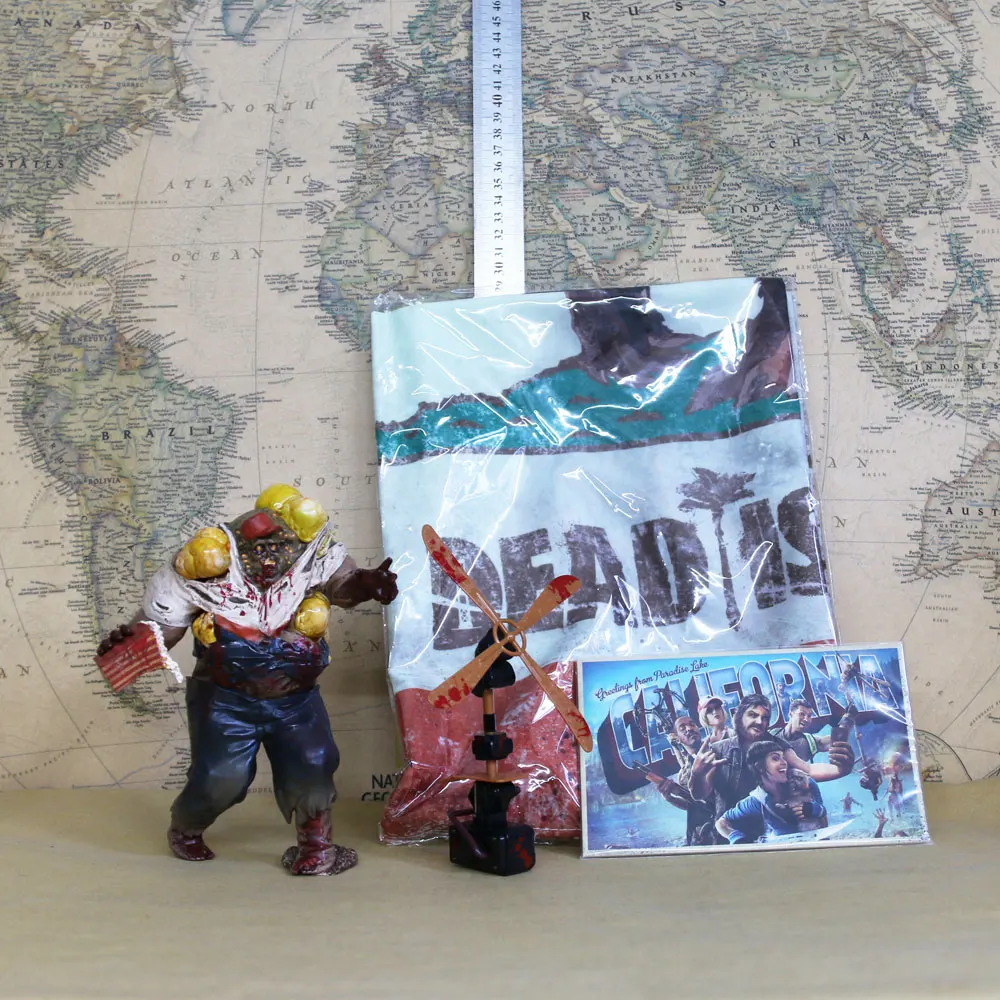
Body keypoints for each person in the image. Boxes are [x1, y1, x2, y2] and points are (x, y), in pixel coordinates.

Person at [96, 484, 398, 876]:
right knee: (223, 778)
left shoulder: (312, 551)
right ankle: (186, 826)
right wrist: (134, 639)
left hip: (294, 695)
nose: (270, 558)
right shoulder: (204, 569)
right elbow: (164, 628)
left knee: (314, 762)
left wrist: (366, 583)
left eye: (279, 547)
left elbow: (342, 584)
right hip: (225, 698)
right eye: (260, 549)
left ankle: (316, 848)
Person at [688, 693, 854, 844]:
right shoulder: (718, 750)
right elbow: (700, 795)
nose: (760, 722)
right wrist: (696, 774)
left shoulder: (777, 746)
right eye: (753, 715)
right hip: (731, 839)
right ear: (739, 716)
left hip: (771, 838)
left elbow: (808, 770)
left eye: (765, 718)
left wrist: (842, 769)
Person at [715, 740, 827, 844]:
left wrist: (816, 810)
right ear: (760, 767)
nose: (784, 762)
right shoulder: (757, 800)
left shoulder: (804, 781)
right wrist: (737, 838)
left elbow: (824, 821)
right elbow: (721, 823)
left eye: (784, 758)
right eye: (775, 758)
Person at [771, 698, 831, 763]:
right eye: (802, 714)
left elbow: (832, 741)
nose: (806, 719)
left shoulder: (810, 742)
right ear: (791, 714)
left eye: (809, 716)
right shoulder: (772, 735)